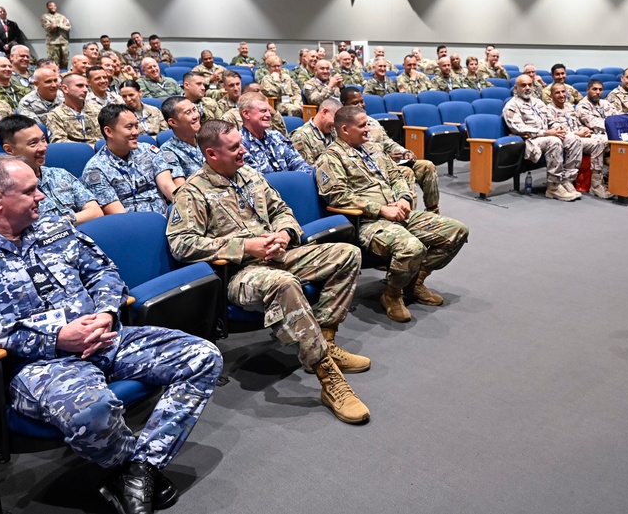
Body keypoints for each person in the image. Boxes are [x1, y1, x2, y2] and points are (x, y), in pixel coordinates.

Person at [0, 155, 222, 514]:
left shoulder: (55, 227)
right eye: (30, 191)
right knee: (91, 412)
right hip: (40, 363)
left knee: (202, 356)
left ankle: (139, 470)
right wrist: (54, 337)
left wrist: (106, 312)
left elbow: (104, 272)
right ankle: (131, 469)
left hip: (105, 336)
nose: (41, 197)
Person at [167, 120, 369, 424]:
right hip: (240, 274)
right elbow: (181, 244)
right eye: (234, 147)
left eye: (240, 144)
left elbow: (281, 211)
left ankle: (325, 340)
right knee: (285, 283)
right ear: (211, 154)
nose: (243, 150)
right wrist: (246, 247)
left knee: (347, 254)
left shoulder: (249, 175)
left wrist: (284, 234)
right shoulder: (193, 192)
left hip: (278, 255)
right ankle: (328, 376)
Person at [316, 105, 469, 323]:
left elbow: (398, 175)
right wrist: (380, 209)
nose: (368, 129)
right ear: (345, 129)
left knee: (456, 232)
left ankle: (415, 281)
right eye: (362, 125)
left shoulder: (373, 149)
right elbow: (337, 196)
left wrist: (405, 198)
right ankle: (392, 294)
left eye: (367, 123)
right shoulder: (331, 158)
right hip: (368, 222)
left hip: (398, 212)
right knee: (411, 248)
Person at [342, 88, 441, 213]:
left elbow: (388, 143)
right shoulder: (343, 128)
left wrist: (405, 152)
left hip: (390, 162)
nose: (360, 105)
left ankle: (433, 211)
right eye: (355, 103)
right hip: (372, 168)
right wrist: (386, 157)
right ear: (344, 105)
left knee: (427, 166)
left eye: (362, 101)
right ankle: (409, 215)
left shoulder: (372, 122)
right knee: (406, 172)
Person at [0, 114, 103, 226]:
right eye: (33, 143)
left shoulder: (59, 174)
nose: (43, 147)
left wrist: (63, 221)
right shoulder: (5, 188)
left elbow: (96, 212)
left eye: (43, 139)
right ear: (9, 150)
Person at [81, 104, 176, 214]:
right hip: (132, 224)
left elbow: (167, 185)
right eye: (129, 127)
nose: (136, 132)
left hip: (167, 217)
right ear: (109, 131)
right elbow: (119, 214)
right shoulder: (95, 169)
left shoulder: (149, 150)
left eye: (136, 126)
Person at [503, 74, 584, 201]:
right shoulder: (512, 105)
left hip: (547, 135)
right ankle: (553, 186)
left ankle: (567, 180)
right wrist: (546, 133)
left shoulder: (538, 102)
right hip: (529, 141)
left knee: (575, 139)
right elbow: (518, 128)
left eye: (530, 85)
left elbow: (551, 121)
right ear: (516, 88)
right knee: (554, 141)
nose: (528, 88)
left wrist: (559, 129)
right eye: (523, 85)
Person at [544, 83, 612, 199]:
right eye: (557, 92)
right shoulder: (548, 110)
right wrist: (577, 133)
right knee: (575, 140)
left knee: (601, 141)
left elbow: (578, 124)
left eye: (563, 92)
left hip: (578, 136)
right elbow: (557, 130)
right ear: (551, 95)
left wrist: (583, 129)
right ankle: (567, 180)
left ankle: (596, 183)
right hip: (563, 139)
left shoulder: (569, 107)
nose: (561, 95)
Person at [234, 92, 314, 176]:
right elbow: (257, 181)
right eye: (263, 111)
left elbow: (300, 165)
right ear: (246, 114)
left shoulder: (276, 136)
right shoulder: (239, 145)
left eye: (269, 110)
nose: (269, 115)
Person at [46, 73, 104, 145]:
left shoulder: (98, 110)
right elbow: (58, 142)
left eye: (86, 86)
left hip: (101, 152)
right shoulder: (55, 115)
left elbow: (107, 136)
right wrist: (88, 148)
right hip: (74, 153)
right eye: (80, 86)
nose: (85, 90)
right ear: (65, 88)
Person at [160, 96, 204, 185]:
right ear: (173, 122)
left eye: (194, 110)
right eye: (188, 113)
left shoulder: (207, 137)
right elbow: (181, 188)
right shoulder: (168, 151)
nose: (196, 115)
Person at [290, 97, 341, 165]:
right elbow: (306, 170)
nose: (337, 124)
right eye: (336, 119)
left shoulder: (333, 132)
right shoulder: (301, 137)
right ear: (324, 112)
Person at [40, 1, 71, 68]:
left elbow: (68, 28)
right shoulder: (45, 17)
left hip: (64, 41)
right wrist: (62, 25)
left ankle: (64, 74)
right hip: (52, 42)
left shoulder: (62, 17)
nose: (53, 7)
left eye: (54, 5)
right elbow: (49, 28)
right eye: (51, 5)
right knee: (53, 62)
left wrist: (57, 25)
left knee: (65, 60)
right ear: (47, 7)